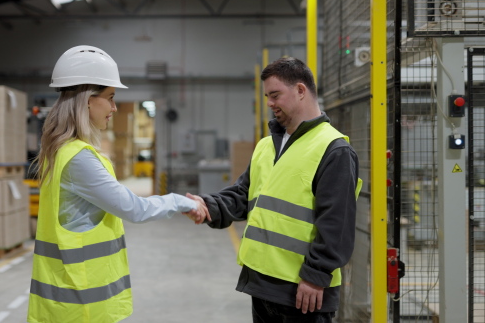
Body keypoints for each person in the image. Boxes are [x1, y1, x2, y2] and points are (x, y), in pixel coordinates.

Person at [27, 45, 209, 323]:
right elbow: (134, 208)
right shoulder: (78, 158)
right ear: (88, 100)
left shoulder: (62, 151)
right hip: (81, 303)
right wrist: (182, 201)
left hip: (68, 302)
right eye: (110, 98)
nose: (114, 107)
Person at [187, 57, 362, 322]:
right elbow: (243, 195)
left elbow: (337, 223)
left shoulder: (333, 149)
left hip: (303, 293)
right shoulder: (266, 146)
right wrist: (208, 206)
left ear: (301, 90)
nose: (269, 103)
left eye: (275, 95)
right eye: (268, 96)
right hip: (263, 284)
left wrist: (315, 276)